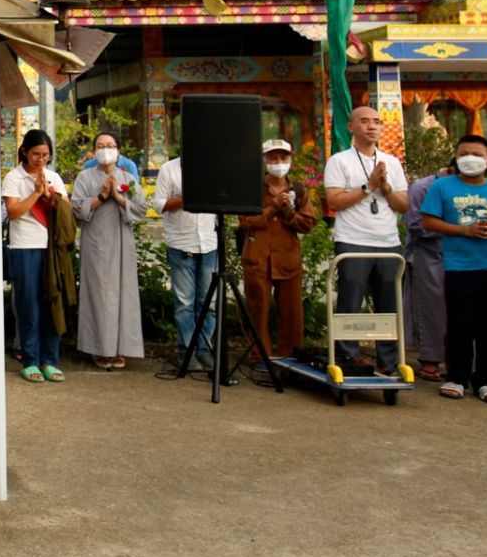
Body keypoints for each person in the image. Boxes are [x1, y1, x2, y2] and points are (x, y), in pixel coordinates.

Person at [417, 135, 487, 404]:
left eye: (476, 153)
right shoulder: (442, 187)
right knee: (459, 322)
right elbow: (428, 222)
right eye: (463, 153)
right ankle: (457, 376)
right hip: (459, 265)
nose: (469, 158)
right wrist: (465, 230)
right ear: (455, 157)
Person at [322, 105, 410, 376]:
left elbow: (403, 205)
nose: (372, 126)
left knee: (389, 304)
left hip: (388, 242)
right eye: (365, 122)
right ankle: (348, 357)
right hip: (353, 241)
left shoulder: (391, 162)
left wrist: (385, 187)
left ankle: (389, 362)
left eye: (377, 122)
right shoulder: (340, 160)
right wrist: (368, 186)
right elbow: (334, 201)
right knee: (351, 301)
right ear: (351, 127)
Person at [71, 132, 147, 370]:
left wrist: (118, 197)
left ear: (119, 151)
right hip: (96, 243)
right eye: (100, 146)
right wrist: (103, 196)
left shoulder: (128, 178)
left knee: (123, 294)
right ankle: (98, 349)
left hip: (122, 241)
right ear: (93, 151)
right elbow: (77, 209)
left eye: (110, 145)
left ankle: (120, 348)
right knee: (98, 294)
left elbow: (142, 208)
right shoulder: (84, 177)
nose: (105, 149)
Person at [2, 129, 69, 382]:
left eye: (45, 155)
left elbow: (66, 210)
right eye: (36, 154)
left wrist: (50, 196)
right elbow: (14, 212)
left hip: (50, 249)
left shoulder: (54, 177)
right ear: (24, 152)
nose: (41, 160)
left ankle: (49, 360)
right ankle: (29, 359)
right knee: (28, 305)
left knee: (52, 303)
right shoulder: (13, 178)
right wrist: (35, 194)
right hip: (24, 247)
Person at [239, 139, 316, 362]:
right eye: (273, 158)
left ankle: (291, 358)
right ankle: (259, 357)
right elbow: (245, 221)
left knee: (292, 313)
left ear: (290, 160)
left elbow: (308, 224)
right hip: (257, 257)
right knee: (257, 310)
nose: (278, 163)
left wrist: (288, 212)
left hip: (288, 258)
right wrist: (272, 207)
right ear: (264, 161)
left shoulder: (298, 190)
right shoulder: (252, 188)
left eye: (283, 158)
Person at [151, 151, 220, 370]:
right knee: (184, 303)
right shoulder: (169, 169)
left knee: (208, 303)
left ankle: (204, 350)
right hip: (182, 243)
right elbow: (158, 205)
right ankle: (186, 351)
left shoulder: (213, 169)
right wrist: (185, 199)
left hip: (209, 243)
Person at [403, 161, 452, 381]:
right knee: (431, 308)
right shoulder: (422, 188)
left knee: (461, 310)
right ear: (450, 170)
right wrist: (455, 228)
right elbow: (414, 224)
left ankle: (459, 360)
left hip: (463, 253)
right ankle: (430, 360)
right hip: (428, 253)